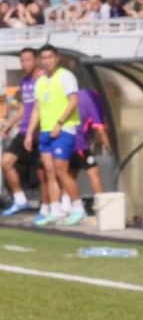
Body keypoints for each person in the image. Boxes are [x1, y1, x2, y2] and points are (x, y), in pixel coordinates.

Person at [24, 45, 85, 227]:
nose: (46, 60)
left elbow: (73, 101)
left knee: (61, 170)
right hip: (45, 131)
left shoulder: (65, 76)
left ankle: (78, 208)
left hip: (64, 129)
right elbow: (37, 108)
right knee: (49, 173)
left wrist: (59, 123)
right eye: (43, 57)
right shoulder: (41, 81)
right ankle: (55, 210)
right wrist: (29, 133)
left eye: (49, 57)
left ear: (56, 58)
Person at [0, 48, 47, 218]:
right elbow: (23, 109)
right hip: (24, 130)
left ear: (36, 60)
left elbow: (40, 108)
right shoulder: (25, 81)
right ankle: (20, 200)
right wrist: (9, 125)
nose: (25, 64)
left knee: (43, 171)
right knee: (6, 161)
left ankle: (48, 207)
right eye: (22, 61)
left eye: (28, 60)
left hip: (39, 132)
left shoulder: (43, 80)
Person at [68, 88, 111, 196]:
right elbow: (100, 130)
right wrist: (109, 147)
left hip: (66, 140)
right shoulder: (93, 100)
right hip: (79, 144)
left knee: (70, 174)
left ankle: (65, 204)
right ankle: (101, 202)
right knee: (93, 171)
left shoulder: (80, 94)